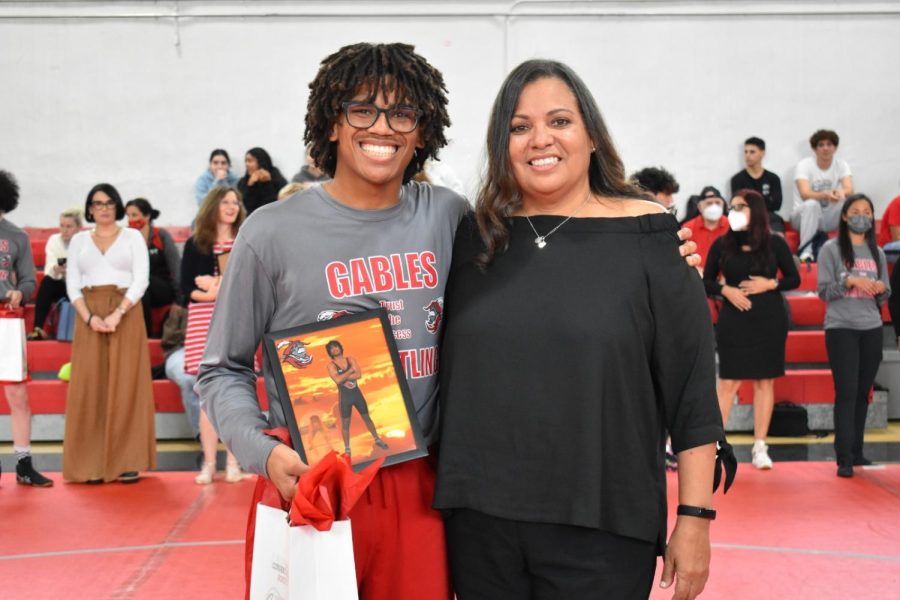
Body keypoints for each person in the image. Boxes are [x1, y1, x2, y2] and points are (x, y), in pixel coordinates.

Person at [197, 44, 699, 600]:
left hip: (424, 488)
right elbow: (221, 369)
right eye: (362, 110)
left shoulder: (454, 218)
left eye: (402, 113)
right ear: (332, 122)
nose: (381, 127)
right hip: (313, 480)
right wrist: (264, 452)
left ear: (422, 132)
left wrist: (658, 241)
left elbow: (561, 250)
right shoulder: (270, 232)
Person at [434, 60, 733, 600]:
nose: (539, 139)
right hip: (480, 526)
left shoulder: (651, 237)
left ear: (591, 135)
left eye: (559, 122)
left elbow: (691, 393)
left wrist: (696, 515)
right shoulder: (472, 240)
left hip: (604, 529)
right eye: (519, 127)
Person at [63, 183, 155, 484]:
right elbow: (72, 283)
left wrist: (118, 313)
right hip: (88, 313)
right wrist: (89, 318)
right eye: (97, 203)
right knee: (89, 386)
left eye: (109, 202)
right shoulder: (78, 240)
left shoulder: (131, 238)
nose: (103, 207)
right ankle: (89, 464)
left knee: (127, 383)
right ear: (89, 208)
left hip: (126, 312)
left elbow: (141, 279)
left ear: (116, 206)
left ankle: (125, 461)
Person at [704, 189, 800, 470]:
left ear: (755, 211)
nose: (733, 211)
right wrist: (726, 290)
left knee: (764, 382)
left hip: (769, 319)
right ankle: (716, 447)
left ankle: (760, 446)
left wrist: (770, 284)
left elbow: (793, 278)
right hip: (734, 320)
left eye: (740, 207)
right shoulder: (722, 243)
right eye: (732, 207)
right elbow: (705, 280)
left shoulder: (775, 243)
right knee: (728, 383)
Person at [817, 194, 890, 478]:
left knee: (863, 393)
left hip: (871, 327)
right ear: (845, 216)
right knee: (846, 392)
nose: (863, 216)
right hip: (841, 328)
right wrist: (849, 281)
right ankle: (844, 457)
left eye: (868, 212)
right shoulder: (831, 250)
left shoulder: (878, 252)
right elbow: (824, 291)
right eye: (856, 211)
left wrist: (880, 288)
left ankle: (858, 452)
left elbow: (885, 293)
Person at [180, 186, 246, 484]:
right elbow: (187, 290)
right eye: (226, 202)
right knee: (205, 392)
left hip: (237, 318)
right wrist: (217, 292)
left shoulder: (246, 240)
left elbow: (248, 284)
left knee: (235, 391)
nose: (232, 206)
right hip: (202, 321)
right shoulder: (197, 244)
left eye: (236, 202)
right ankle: (209, 463)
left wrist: (215, 287)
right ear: (213, 206)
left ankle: (234, 461)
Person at [0, 169, 53, 487]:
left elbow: (30, 280)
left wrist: (23, 292)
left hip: (6, 316)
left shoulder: (16, 236)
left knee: (18, 394)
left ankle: (23, 463)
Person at [792, 129, 853, 262]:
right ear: (815, 148)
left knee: (848, 203)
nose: (825, 148)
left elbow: (849, 188)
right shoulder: (804, 165)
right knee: (811, 204)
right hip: (802, 218)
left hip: (827, 218)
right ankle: (805, 252)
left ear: (835, 148)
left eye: (829, 144)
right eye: (821, 145)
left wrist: (841, 192)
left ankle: (847, 251)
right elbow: (804, 194)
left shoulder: (841, 164)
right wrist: (826, 194)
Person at [124, 198, 181, 336]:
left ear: (147, 216)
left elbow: (175, 268)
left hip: (162, 287)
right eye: (128, 216)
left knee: (144, 282)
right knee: (140, 289)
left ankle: (147, 336)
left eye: (134, 215)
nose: (130, 219)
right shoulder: (125, 238)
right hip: (140, 289)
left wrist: (179, 300)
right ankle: (143, 336)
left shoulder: (160, 236)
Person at [325, 339, 389, 458]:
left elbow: (358, 375)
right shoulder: (330, 365)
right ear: (330, 352)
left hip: (357, 394)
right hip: (345, 397)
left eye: (336, 346)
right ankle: (347, 449)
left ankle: (377, 439)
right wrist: (350, 371)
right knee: (345, 423)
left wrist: (343, 375)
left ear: (340, 348)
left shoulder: (351, 359)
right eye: (332, 348)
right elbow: (337, 380)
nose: (335, 349)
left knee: (367, 418)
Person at [28, 208, 82, 340]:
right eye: (62, 225)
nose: (64, 230)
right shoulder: (54, 240)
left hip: (79, 286)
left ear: (78, 228)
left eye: (69, 226)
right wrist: (60, 269)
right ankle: (38, 328)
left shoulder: (85, 241)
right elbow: (50, 269)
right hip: (60, 283)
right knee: (47, 281)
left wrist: (65, 269)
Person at [730, 137, 784, 232]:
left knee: (776, 225)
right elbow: (738, 204)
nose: (747, 155)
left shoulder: (773, 178)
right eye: (745, 152)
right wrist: (765, 200)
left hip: (768, 216)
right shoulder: (737, 179)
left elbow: (777, 204)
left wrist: (751, 202)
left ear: (762, 153)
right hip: (745, 217)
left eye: (752, 152)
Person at [683, 187, 730, 272]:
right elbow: (683, 257)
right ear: (700, 207)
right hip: (697, 276)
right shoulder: (688, 228)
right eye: (709, 203)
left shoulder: (732, 226)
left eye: (717, 202)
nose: (714, 206)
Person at [237, 147, 287, 215]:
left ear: (261, 162)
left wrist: (267, 184)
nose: (246, 164)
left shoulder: (276, 178)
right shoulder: (243, 182)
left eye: (250, 161)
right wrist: (251, 186)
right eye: (245, 161)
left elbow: (275, 204)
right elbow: (245, 206)